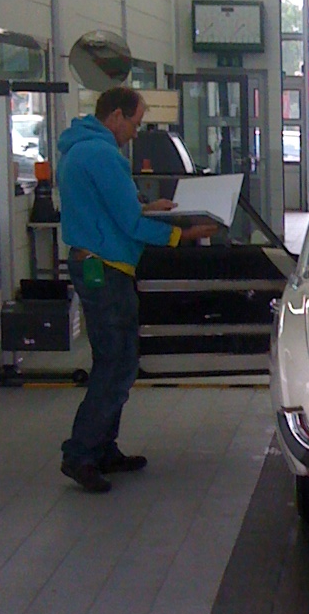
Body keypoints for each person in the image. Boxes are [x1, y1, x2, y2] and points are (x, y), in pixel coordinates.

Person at [56, 86, 217, 493]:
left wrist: (147, 207)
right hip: (106, 268)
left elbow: (113, 210)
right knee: (117, 363)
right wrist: (183, 234)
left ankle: (103, 449)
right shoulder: (103, 155)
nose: (135, 132)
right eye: (134, 122)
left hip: (92, 261)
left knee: (114, 359)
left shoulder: (78, 149)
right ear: (115, 115)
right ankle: (81, 454)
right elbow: (130, 226)